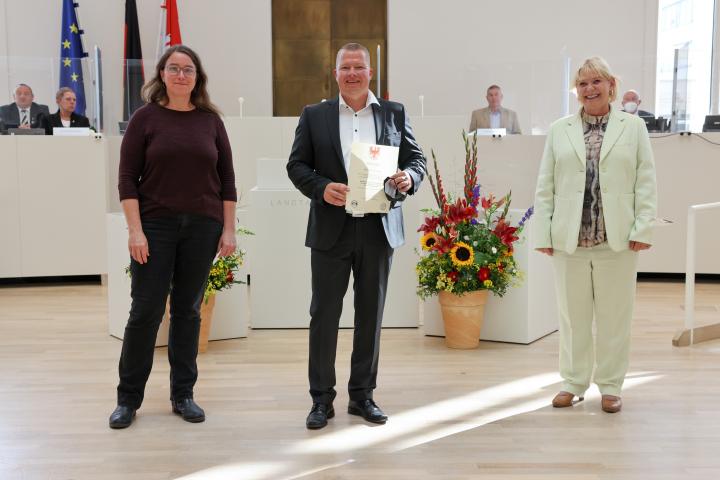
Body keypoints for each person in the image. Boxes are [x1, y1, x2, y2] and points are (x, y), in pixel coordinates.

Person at [287, 42, 426, 430]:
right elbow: (296, 165)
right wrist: (321, 187)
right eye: (345, 67)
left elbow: (417, 160)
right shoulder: (314, 115)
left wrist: (408, 177)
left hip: (379, 227)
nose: (352, 73)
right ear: (335, 74)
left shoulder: (394, 112)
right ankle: (321, 400)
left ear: (370, 73)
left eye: (358, 67)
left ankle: (362, 396)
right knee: (324, 315)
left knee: (370, 315)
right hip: (332, 228)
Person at [110, 45, 237, 429]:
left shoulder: (211, 121)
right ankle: (128, 399)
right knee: (145, 311)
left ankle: (183, 394)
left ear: (197, 78)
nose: (181, 75)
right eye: (174, 68)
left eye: (188, 69)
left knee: (188, 310)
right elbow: (127, 179)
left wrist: (228, 229)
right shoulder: (144, 119)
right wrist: (135, 231)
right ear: (161, 74)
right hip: (155, 227)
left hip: (203, 227)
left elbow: (227, 180)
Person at [533, 57, 657, 414]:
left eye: (596, 81)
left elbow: (645, 181)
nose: (590, 88)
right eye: (583, 83)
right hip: (570, 239)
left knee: (615, 316)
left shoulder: (633, 128)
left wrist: (643, 227)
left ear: (610, 86)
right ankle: (573, 382)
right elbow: (546, 185)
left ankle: (612, 385)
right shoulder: (560, 130)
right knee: (572, 317)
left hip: (616, 239)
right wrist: (544, 231)